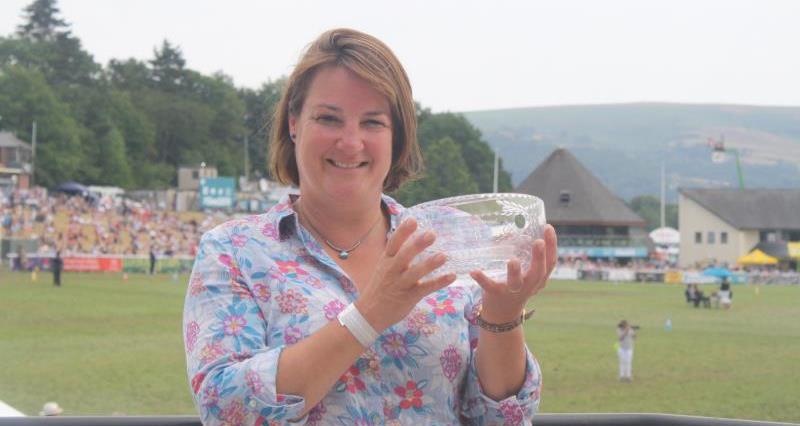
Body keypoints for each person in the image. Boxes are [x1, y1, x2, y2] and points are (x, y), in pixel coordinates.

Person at [183, 28, 557, 425]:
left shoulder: (446, 239)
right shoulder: (234, 251)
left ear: (397, 137)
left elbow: (501, 416)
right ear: (294, 124)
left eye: (373, 123)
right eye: (328, 118)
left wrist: (502, 314)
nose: (350, 142)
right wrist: (370, 314)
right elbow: (226, 409)